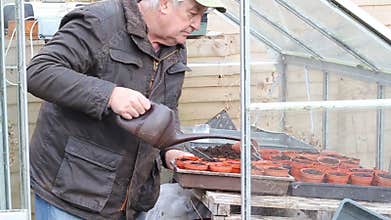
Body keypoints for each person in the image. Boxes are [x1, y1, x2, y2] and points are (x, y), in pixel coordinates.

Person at [27, 0, 226, 219]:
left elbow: (167, 108)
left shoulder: (174, 47)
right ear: (165, 4)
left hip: (132, 200)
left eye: (202, 15)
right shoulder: (99, 23)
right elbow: (39, 71)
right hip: (73, 193)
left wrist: (171, 147)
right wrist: (110, 94)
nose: (196, 24)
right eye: (192, 13)